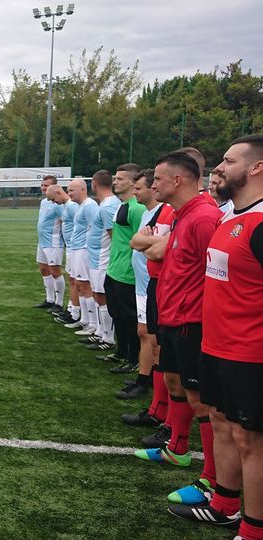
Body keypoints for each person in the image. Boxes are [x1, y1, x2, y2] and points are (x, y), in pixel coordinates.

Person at [169, 134, 263, 537]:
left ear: (257, 167)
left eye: (228, 160)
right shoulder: (229, 217)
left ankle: (254, 529)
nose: (219, 168)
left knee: (250, 441)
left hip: (250, 353)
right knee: (222, 425)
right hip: (216, 345)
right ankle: (224, 505)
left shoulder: (260, 222)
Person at [134, 151, 221, 510]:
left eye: (157, 178)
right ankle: (177, 449)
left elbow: (216, 277)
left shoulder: (204, 218)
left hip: (191, 322)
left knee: (201, 401)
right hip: (173, 317)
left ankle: (212, 480)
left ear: (178, 180)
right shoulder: (182, 215)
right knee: (174, 383)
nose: (152, 184)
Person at [117, 169, 160, 400]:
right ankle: (145, 377)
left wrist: (145, 242)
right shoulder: (147, 213)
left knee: (149, 334)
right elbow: (136, 242)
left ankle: (146, 381)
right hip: (142, 283)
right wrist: (143, 242)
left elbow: (154, 249)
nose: (135, 192)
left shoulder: (162, 213)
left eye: (139, 188)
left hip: (151, 283)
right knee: (144, 332)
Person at [104, 164, 145, 378]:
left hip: (128, 273)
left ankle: (133, 359)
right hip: (114, 270)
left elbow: (141, 242)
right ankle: (121, 352)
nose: (115, 182)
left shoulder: (137, 208)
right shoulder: (123, 205)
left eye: (120, 179)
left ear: (132, 181)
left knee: (130, 318)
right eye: (115, 178)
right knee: (117, 314)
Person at [82, 170, 120, 351]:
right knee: (98, 296)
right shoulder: (106, 204)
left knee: (101, 297)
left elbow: (115, 237)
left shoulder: (108, 206)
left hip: (102, 259)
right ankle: (100, 332)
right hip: (97, 257)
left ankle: (108, 338)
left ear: (94, 184)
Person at [64, 178, 100, 336]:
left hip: (84, 250)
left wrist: (88, 248)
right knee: (79, 284)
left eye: (72, 190)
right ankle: (85, 320)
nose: (69, 193)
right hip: (77, 249)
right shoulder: (81, 206)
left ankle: (93, 324)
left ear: (83, 190)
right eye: (68, 190)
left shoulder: (90, 206)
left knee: (85, 285)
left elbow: (96, 228)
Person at [47, 185, 80, 324]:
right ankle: (72, 309)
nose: (54, 202)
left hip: (76, 248)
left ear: (58, 192)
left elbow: (82, 225)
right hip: (71, 248)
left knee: (77, 281)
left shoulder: (72, 206)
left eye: (53, 199)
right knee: (72, 279)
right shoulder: (67, 206)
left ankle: (75, 312)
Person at [33, 176, 65, 312]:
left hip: (53, 243)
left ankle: (59, 303)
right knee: (44, 270)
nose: (43, 188)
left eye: (46, 185)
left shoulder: (58, 204)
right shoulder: (43, 202)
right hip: (42, 242)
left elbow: (64, 222)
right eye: (42, 185)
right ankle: (49, 299)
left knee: (55, 272)